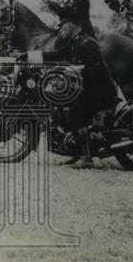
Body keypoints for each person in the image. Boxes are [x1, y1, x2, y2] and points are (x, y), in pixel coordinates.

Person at [19, 21, 121, 169]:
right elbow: (55, 55)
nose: (60, 31)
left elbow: (95, 68)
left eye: (63, 27)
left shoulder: (88, 43)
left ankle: (86, 158)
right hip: (89, 88)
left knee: (75, 113)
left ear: (71, 27)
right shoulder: (74, 43)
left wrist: (74, 71)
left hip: (100, 90)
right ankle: (77, 152)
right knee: (64, 109)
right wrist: (28, 56)